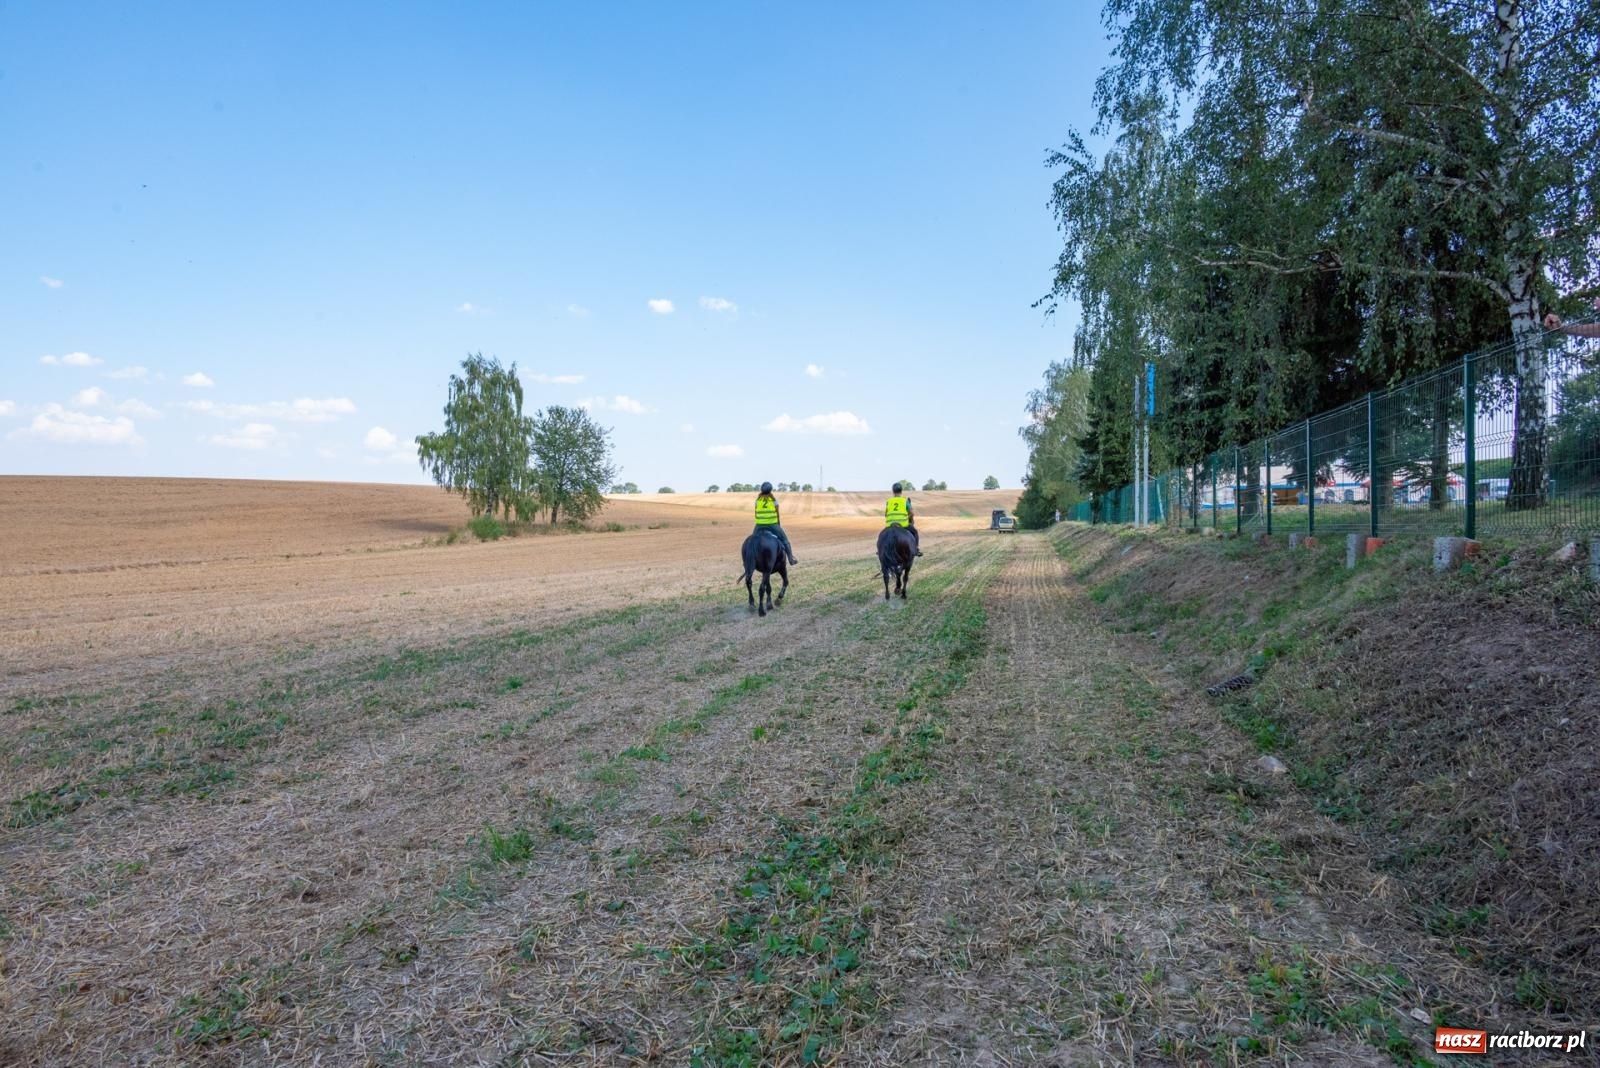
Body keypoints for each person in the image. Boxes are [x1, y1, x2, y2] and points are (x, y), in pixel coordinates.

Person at [753, 481, 798, 564]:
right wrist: (778, 524)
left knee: (752, 542)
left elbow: (756, 514)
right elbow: (777, 514)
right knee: (785, 540)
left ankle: (751, 559)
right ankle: (791, 559)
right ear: (770, 490)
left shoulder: (757, 501)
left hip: (759, 525)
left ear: (761, 490)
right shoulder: (774, 500)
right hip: (772, 524)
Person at [885, 482, 923, 556]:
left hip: (890, 525)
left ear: (893, 491)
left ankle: (880, 550)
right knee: (915, 532)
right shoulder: (904, 501)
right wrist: (907, 518)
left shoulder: (889, 501)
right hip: (903, 524)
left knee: (883, 535)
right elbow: (912, 513)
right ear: (901, 491)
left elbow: (886, 514)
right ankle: (916, 549)